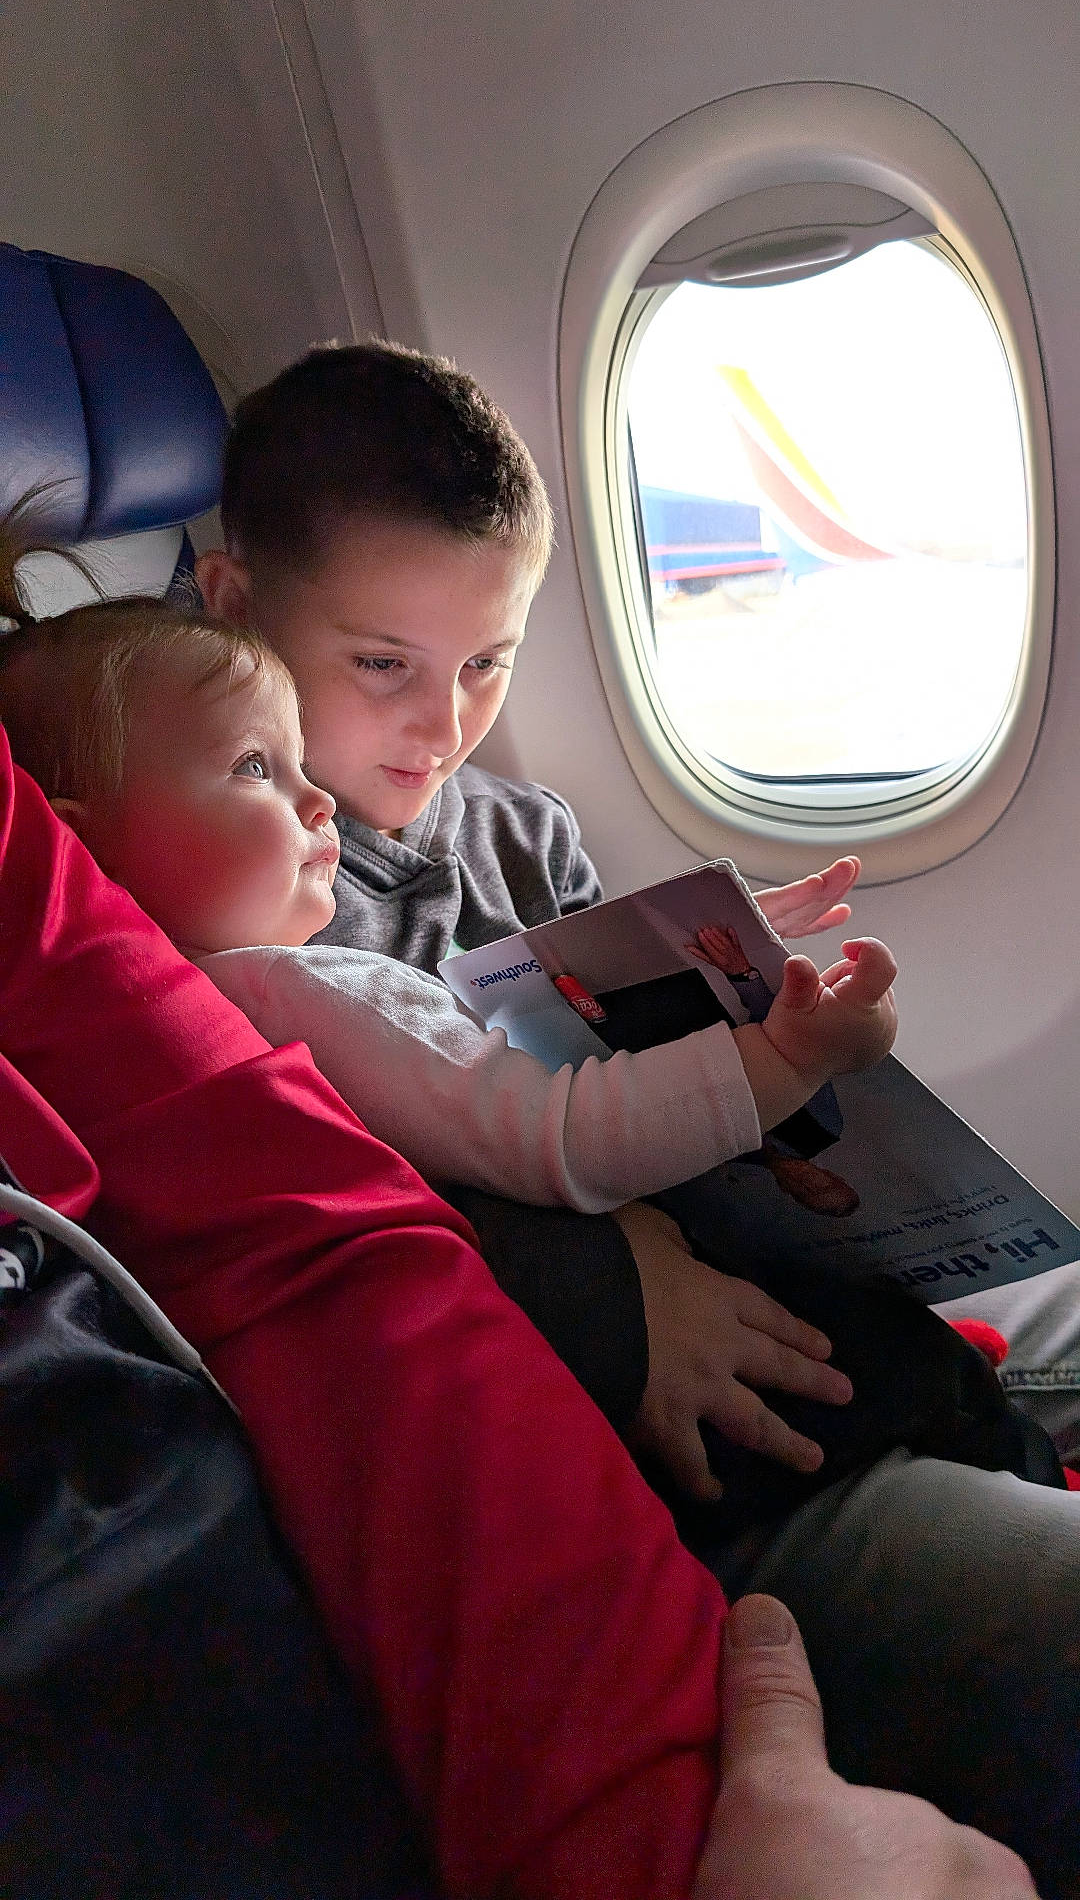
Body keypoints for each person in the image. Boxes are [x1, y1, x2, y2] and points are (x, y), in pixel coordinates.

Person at [174, 339, 1080, 1892]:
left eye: (491, 662)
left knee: (1054, 1296)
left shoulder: (513, 835)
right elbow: (313, 1238)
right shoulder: (226, 905)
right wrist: (613, 1289)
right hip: (664, 1459)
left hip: (765, 1284)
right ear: (234, 600)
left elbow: (634, 1051)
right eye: (384, 663)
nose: (442, 725)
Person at [0, 718, 1036, 1900]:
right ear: (89, 845)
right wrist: (780, 1060)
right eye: (252, 768)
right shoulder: (288, 984)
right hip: (654, 1400)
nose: (322, 797)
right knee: (912, 1363)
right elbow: (553, 1133)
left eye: (299, 755)